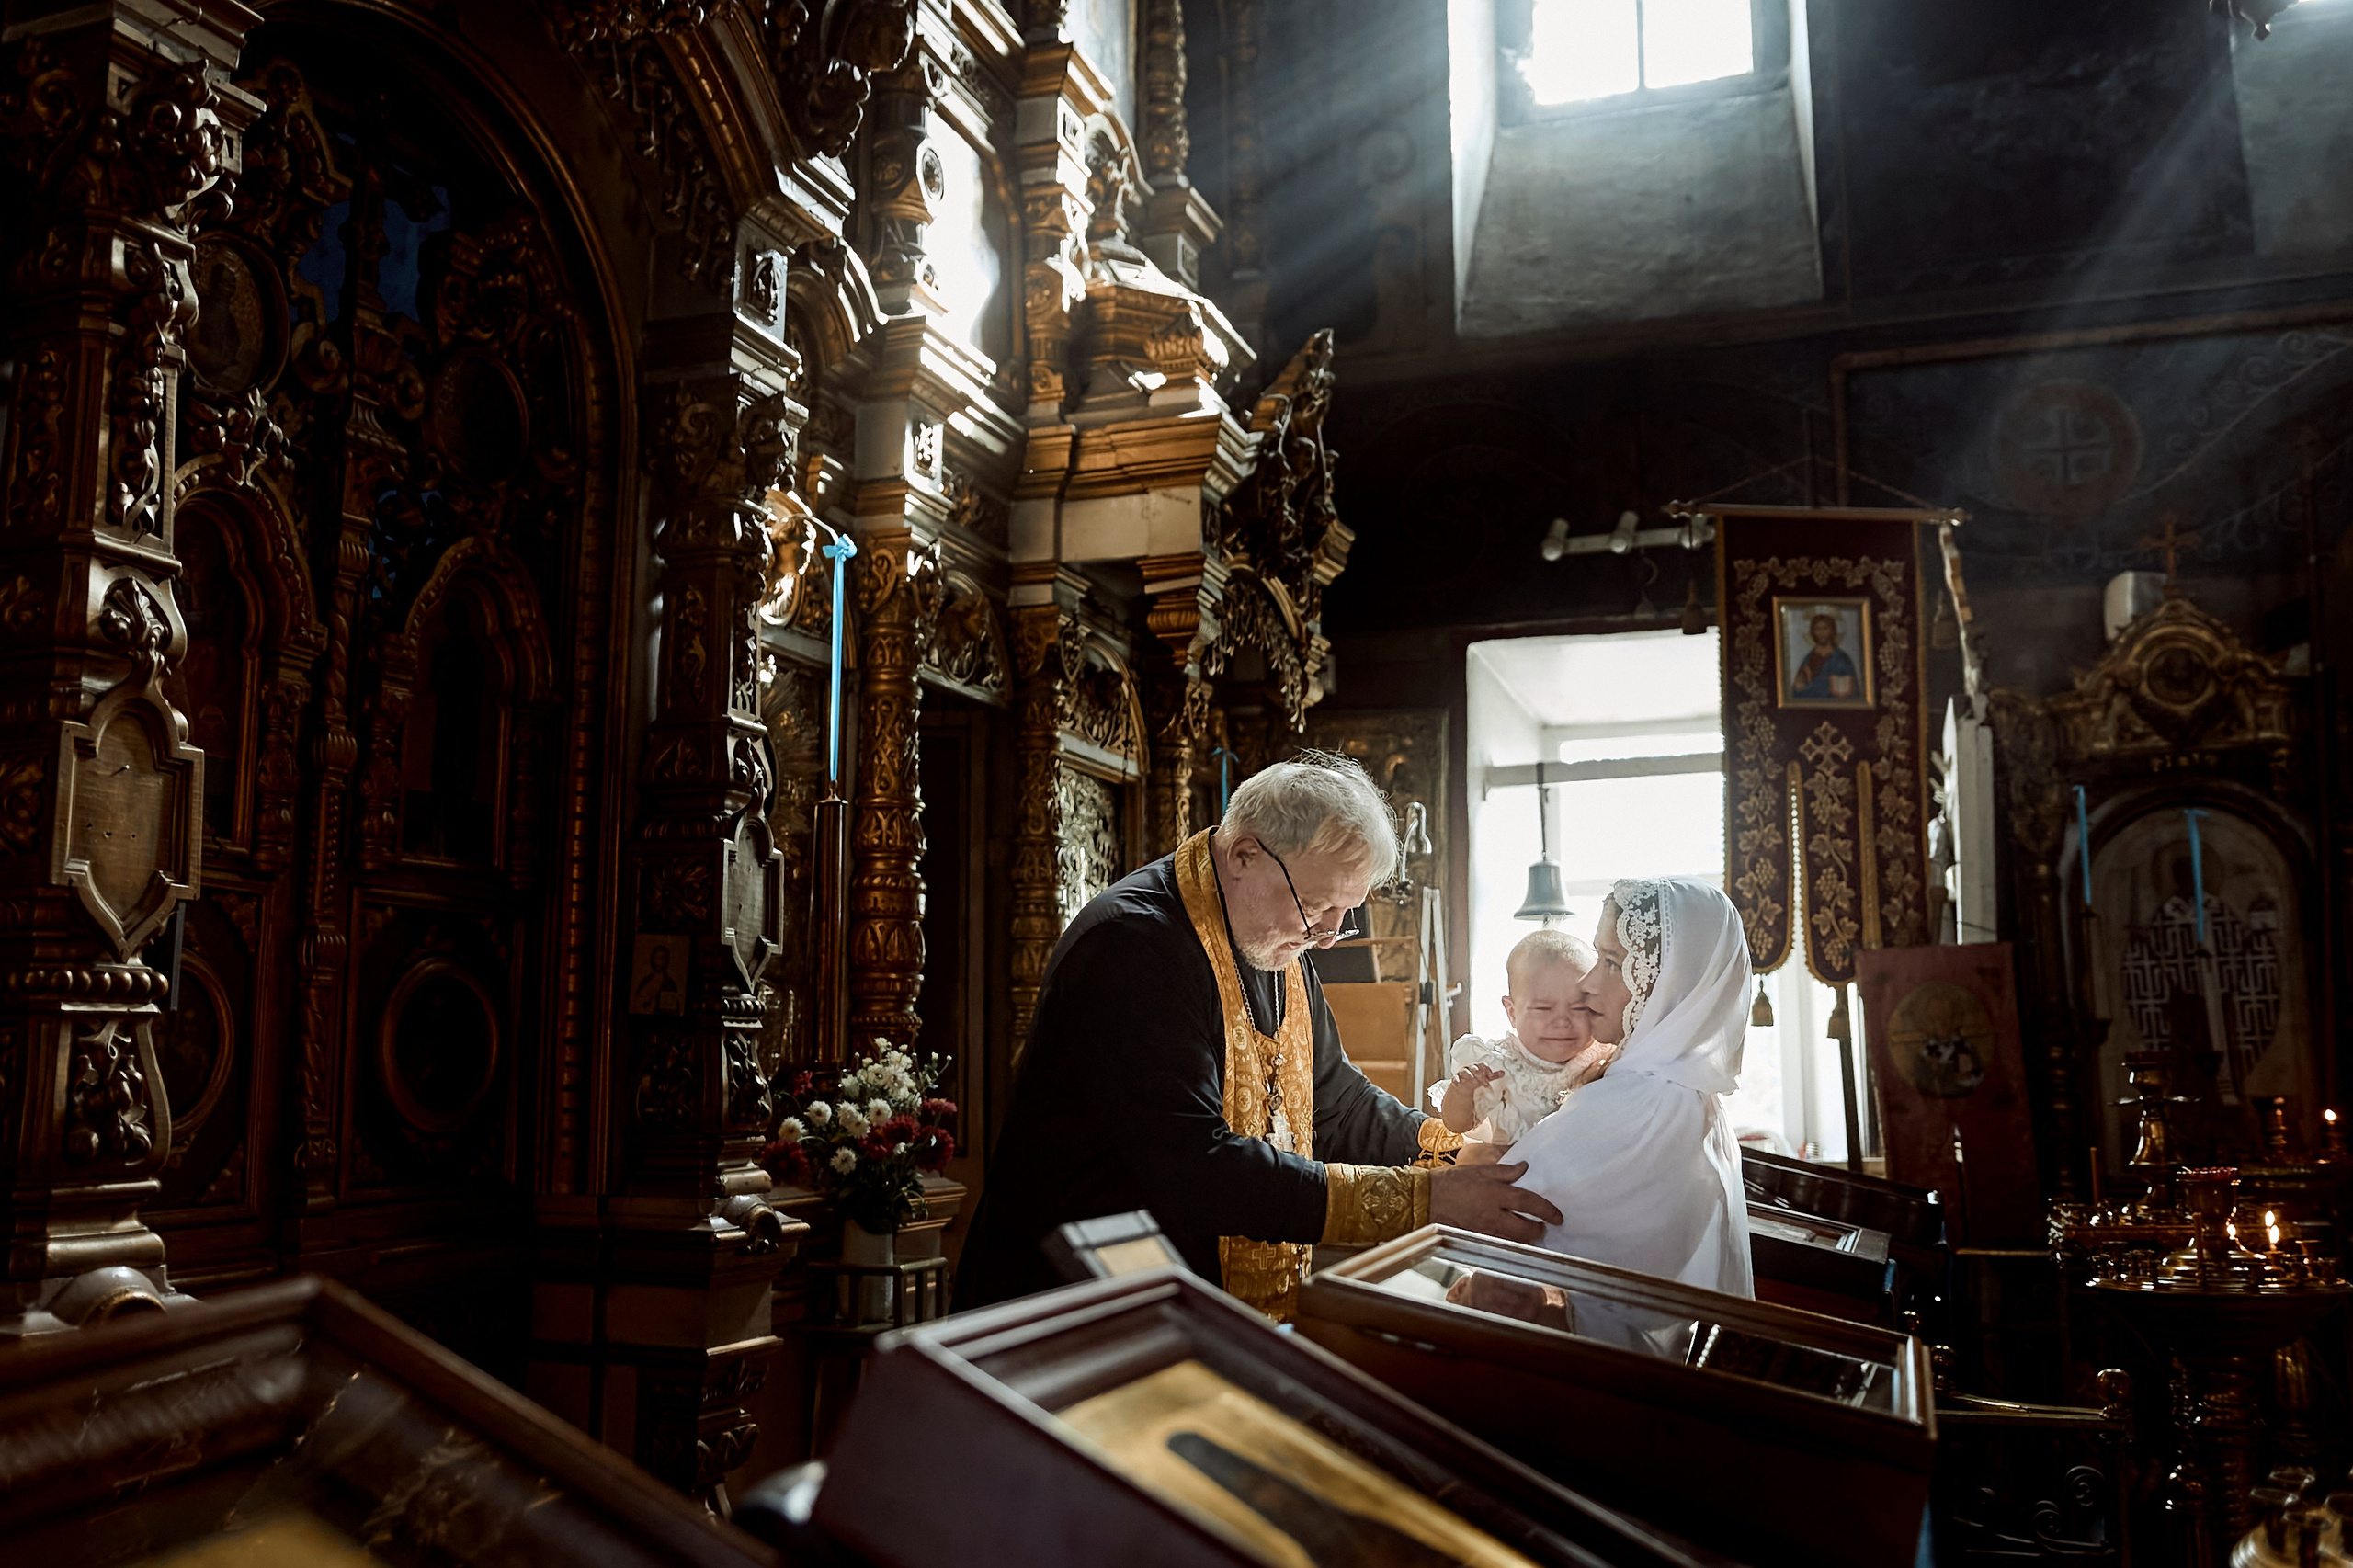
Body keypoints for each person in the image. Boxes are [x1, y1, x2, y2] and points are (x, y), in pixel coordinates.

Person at [956, 751, 1564, 1320]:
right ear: (1245, 854)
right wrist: (1427, 1197)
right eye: (1318, 907)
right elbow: (1196, 1166)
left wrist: (1453, 1155)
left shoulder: (1272, 934)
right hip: (1076, 1305)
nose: (1329, 934)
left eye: (1344, 912)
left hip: (1185, 1301)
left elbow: (1338, 1100)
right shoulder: (1134, 946)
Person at [1507, 876, 1755, 1298]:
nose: (1586, 983)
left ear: (1666, 984)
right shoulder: (1679, 1089)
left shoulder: (1642, 1103)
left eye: (1612, 962)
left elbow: (1502, 1207)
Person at [1430, 929, 1613, 1145]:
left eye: (1580, 1008)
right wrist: (1462, 1093)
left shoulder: (1602, 1054)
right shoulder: (1498, 1065)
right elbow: (1458, 1125)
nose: (1562, 1021)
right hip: (1518, 1171)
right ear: (1512, 1013)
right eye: (1544, 1009)